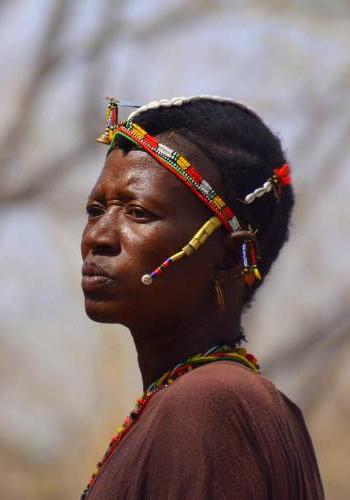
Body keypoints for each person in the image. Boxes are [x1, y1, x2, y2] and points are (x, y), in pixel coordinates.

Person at [79, 96, 324, 499]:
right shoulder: (221, 400)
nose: (98, 237)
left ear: (227, 256)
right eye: (95, 209)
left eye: (138, 212)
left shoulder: (210, 404)